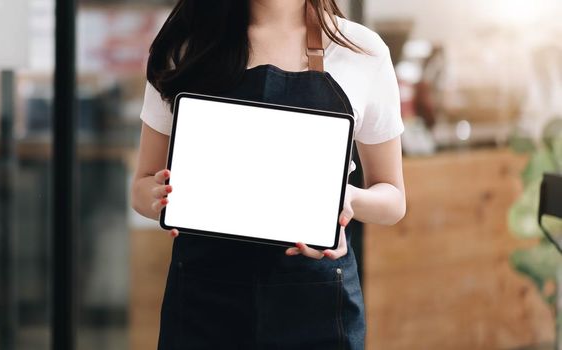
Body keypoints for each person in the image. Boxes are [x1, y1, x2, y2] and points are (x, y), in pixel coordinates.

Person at [131, 0, 406, 349]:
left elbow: (393, 200)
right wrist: (158, 197)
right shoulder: (186, 47)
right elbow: (142, 186)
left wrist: (346, 197)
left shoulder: (362, 52)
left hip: (316, 307)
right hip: (203, 304)